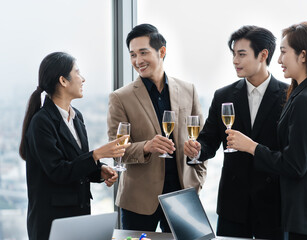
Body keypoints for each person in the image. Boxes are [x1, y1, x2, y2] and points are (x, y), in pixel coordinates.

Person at [226, 22, 307, 240]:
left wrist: (251, 147)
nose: (278, 59)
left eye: (283, 52)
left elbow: (295, 165)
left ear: (303, 56)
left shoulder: (305, 101)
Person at [184, 25, 288, 239]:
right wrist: (196, 150)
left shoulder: (288, 96)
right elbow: (209, 140)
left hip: (273, 204)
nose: (235, 61)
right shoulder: (223, 95)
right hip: (233, 204)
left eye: (241, 54)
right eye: (233, 54)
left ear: (263, 55)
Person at [19, 52, 130, 240]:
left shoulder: (77, 116)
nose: (83, 79)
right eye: (77, 72)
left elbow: (76, 162)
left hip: (78, 217)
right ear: (63, 80)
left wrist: (99, 170)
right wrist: (97, 154)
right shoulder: (41, 122)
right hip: (52, 222)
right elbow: (58, 171)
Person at [107, 23, 206, 232]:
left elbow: (203, 140)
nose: (137, 61)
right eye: (133, 55)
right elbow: (115, 149)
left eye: (143, 52)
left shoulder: (189, 90)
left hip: (183, 197)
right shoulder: (120, 98)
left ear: (162, 51)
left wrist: (197, 177)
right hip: (138, 202)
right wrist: (146, 147)